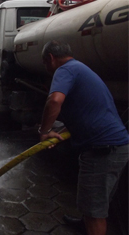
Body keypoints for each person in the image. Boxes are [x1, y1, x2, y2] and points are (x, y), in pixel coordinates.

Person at [39, 40, 129, 235]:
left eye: (45, 63)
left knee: (94, 210)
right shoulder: (80, 67)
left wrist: (44, 131)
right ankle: (85, 223)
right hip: (113, 146)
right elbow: (86, 110)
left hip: (103, 149)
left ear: (51, 58)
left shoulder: (64, 70)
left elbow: (54, 100)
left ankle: (90, 224)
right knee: (96, 200)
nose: (46, 68)